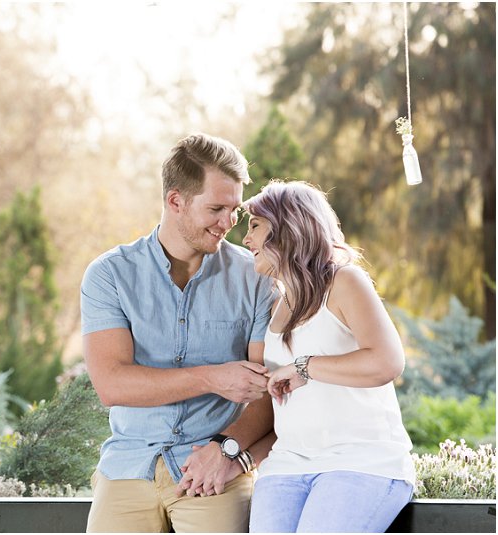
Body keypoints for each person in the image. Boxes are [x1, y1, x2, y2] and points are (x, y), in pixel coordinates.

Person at [80, 133, 277, 533]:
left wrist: (227, 449)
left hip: (213, 468)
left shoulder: (254, 278)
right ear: (176, 201)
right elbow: (113, 384)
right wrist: (212, 377)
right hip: (129, 464)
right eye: (216, 209)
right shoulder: (110, 275)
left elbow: (266, 392)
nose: (228, 223)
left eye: (235, 210)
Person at [241, 180, 415, 533]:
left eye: (255, 227)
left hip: (362, 462)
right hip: (287, 465)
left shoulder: (345, 282)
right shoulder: (277, 304)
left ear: (287, 226)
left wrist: (306, 367)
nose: (246, 240)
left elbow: (387, 362)